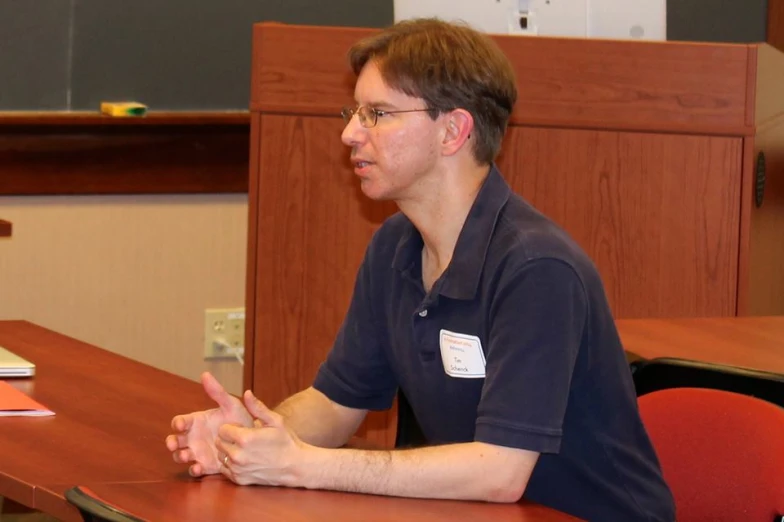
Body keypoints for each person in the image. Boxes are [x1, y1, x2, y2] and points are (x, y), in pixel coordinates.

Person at [166, 18, 675, 521]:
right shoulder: (395, 245)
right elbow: (336, 404)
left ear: (453, 130)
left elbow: (499, 473)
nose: (349, 134)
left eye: (378, 113)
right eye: (354, 112)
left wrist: (304, 466)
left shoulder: (536, 268)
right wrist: (248, 440)